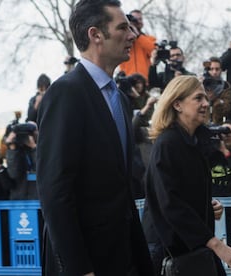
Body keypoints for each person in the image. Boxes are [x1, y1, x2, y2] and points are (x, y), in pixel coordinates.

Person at [36, 1, 153, 275]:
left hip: (123, 258)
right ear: (95, 35)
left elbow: (123, 189)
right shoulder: (66, 93)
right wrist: (79, 269)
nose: (132, 36)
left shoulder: (121, 100)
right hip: (87, 264)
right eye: (123, 28)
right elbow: (55, 190)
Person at [143, 75, 231, 275]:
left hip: (193, 249)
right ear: (177, 104)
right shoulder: (167, 144)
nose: (206, 104)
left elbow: (183, 194)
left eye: (206, 99)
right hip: (170, 253)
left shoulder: (196, 142)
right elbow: (170, 203)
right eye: (198, 98)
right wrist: (217, 245)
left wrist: (206, 207)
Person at [3, 121, 38, 199]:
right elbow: (13, 173)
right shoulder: (15, 151)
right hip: (20, 199)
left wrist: (34, 148)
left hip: (39, 199)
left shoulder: (43, 148)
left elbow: (42, 169)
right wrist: (12, 148)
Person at [118, 9, 156, 81]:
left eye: (140, 19)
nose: (137, 22)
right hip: (128, 81)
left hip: (145, 81)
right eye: (135, 19)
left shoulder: (149, 39)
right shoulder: (123, 39)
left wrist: (138, 36)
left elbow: (154, 51)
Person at [202, 57, 231, 125]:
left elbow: (227, 109)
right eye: (211, 69)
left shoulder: (225, 86)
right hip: (202, 123)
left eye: (217, 69)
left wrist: (216, 100)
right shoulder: (201, 84)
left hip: (218, 122)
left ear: (221, 70)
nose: (214, 72)